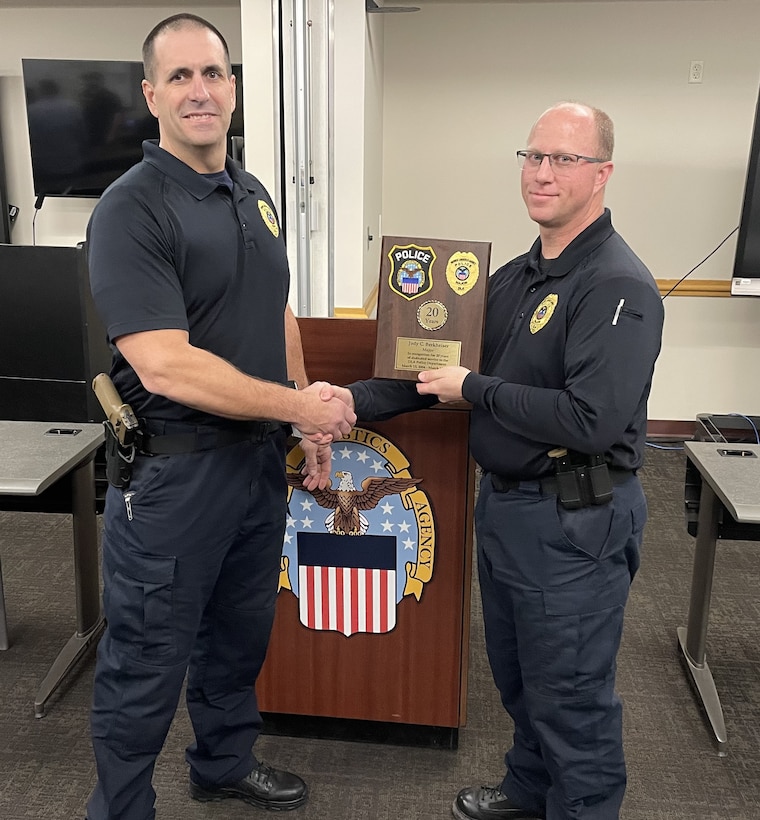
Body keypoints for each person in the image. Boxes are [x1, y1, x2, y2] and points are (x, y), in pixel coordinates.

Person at [328, 102, 664, 820]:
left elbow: (590, 419)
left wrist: (474, 389)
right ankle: (528, 789)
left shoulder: (617, 285)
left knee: (572, 699)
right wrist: (338, 402)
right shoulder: (515, 278)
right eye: (534, 156)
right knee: (519, 678)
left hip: (577, 518)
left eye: (565, 159)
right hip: (510, 511)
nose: (543, 173)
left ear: (602, 174)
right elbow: (429, 371)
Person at [85, 13, 355, 820]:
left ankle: (223, 764)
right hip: (174, 476)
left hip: (251, 470)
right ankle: (122, 808)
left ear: (233, 87)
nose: (199, 90)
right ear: (151, 96)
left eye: (213, 73)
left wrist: (306, 426)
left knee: (237, 641)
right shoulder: (133, 210)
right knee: (144, 663)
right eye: (179, 77)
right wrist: (296, 405)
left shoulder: (252, 191)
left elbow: (277, 311)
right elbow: (163, 362)